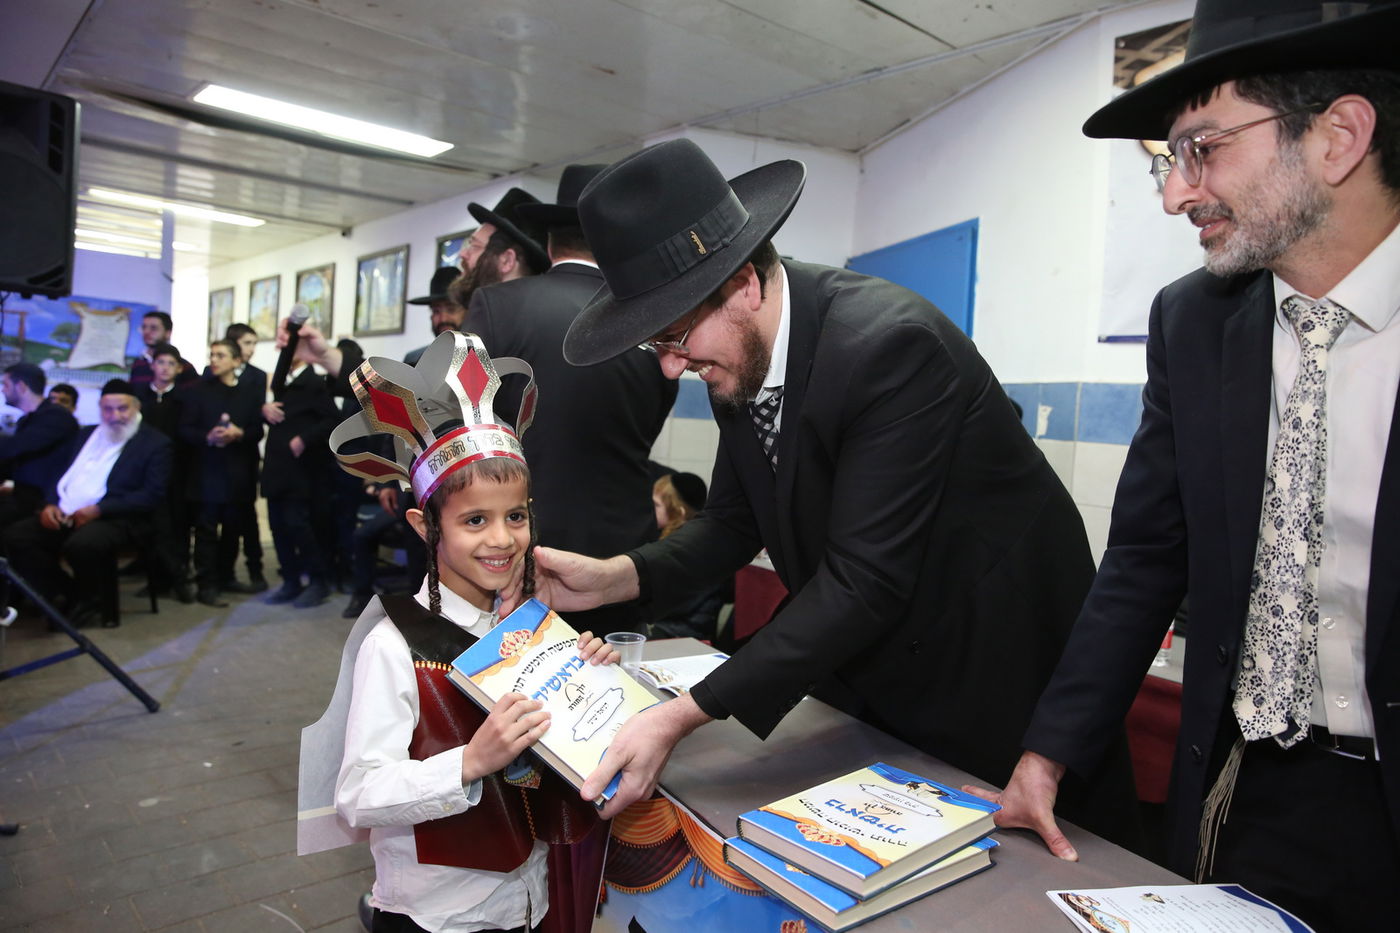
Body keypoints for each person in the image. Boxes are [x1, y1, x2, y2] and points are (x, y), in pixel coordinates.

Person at [516, 140, 1139, 846]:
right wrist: (617, 577)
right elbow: (732, 521)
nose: (670, 368)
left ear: (743, 285)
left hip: (995, 675)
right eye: (655, 346)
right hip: (881, 668)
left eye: (674, 337)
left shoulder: (889, 346)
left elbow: (863, 581)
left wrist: (683, 713)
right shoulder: (735, 353)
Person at [972, 2, 1400, 929]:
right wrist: (1048, 752)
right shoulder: (1194, 322)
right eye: (1171, 160)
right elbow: (1143, 561)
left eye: (1202, 149)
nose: (1176, 194)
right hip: (1246, 791)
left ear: (1338, 137)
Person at [301, 331, 616, 933]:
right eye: (475, 520)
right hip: (439, 916)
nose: (502, 539)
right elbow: (359, 794)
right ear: (426, 526)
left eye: (515, 516)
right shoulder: (395, 647)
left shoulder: (527, 625)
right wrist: (470, 761)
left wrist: (589, 685)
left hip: (529, 900)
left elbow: (559, 752)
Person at [465, 164, 678, 636]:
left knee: (505, 677)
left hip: (516, 552)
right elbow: (650, 424)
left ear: (549, 244)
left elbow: (465, 424)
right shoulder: (653, 320)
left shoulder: (499, 306)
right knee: (608, 676)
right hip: (621, 558)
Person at [3, 379, 171, 627]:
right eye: (107, 409)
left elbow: (151, 494)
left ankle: (86, 599)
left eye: (122, 408)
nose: (114, 416)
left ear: (136, 408)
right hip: (68, 510)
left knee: (82, 544)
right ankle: (69, 592)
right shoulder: (85, 435)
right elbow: (58, 474)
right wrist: (50, 504)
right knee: (16, 537)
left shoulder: (155, 443)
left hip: (119, 517)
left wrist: (99, 509)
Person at [180, 339, 265, 607]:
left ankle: (226, 576)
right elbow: (184, 429)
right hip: (207, 471)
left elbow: (257, 430)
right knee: (206, 531)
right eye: (212, 355)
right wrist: (208, 436)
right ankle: (206, 584)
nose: (214, 360)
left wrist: (239, 433)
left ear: (236, 361)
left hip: (237, 471)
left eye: (221, 355)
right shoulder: (198, 391)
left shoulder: (248, 393)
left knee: (232, 529)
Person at [262, 353, 340, 609]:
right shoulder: (281, 381)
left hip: (300, 470)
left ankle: (318, 581)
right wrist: (264, 410)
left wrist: (304, 439)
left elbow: (332, 419)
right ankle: (290, 580)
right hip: (276, 465)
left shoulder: (313, 382)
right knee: (277, 526)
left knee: (298, 525)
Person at [136, 343, 196, 603]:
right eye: (161, 362)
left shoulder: (184, 399)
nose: (165, 368)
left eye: (171, 364)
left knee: (178, 524)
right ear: (152, 366)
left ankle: (180, 578)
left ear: (179, 369)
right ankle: (157, 580)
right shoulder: (140, 398)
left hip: (177, 471)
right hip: (147, 472)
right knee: (151, 525)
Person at [648, 472, 727, 641]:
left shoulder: (690, 549)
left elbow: (675, 603)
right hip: (675, 625)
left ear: (679, 512)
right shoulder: (673, 540)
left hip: (684, 631)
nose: (651, 509)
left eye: (656, 505)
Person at [0, 362, 79, 528]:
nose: (2, 390)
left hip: (44, 502)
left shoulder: (57, 417)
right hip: (22, 495)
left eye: (5, 385)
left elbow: (16, 447)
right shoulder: (29, 419)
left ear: (21, 386)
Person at [223, 322, 270, 593]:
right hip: (220, 455)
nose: (251, 349)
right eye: (247, 343)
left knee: (247, 513)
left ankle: (255, 569)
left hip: (245, 452)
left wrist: (241, 432)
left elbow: (257, 417)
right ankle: (224, 571)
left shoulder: (256, 376)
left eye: (254, 343)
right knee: (225, 515)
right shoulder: (215, 371)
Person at [403, 267, 467, 366]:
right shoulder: (414, 362)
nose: (443, 319)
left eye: (451, 309)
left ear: (467, 311)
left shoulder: (483, 359)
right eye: (436, 311)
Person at [128, 311, 197, 391]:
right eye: (144, 327)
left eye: (153, 328)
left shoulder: (185, 367)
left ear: (168, 333)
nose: (146, 332)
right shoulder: (138, 363)